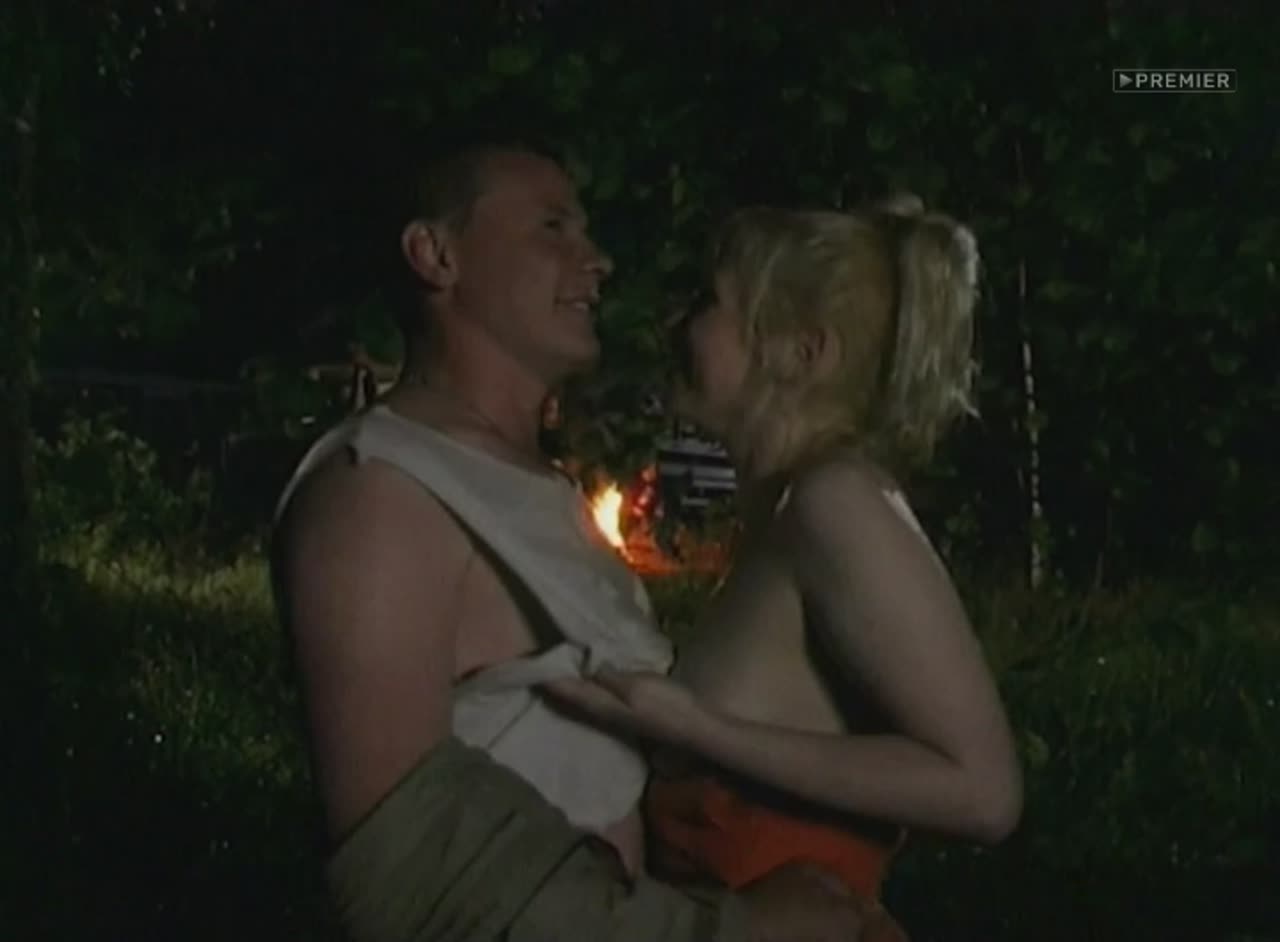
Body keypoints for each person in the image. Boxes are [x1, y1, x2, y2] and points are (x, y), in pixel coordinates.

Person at [270, 143, 868, 941]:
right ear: (436, 254)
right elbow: (407, 877)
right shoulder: (378, 494)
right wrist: (739, 933)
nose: (597, 260)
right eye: (552, 227)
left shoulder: (544, 489)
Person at [543, 198, 1024, 939]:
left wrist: (696, 729)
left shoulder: (838, 502)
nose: (678, 323)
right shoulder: (787, 514)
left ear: (802, 352)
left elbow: (985, 794)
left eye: (710, 301)